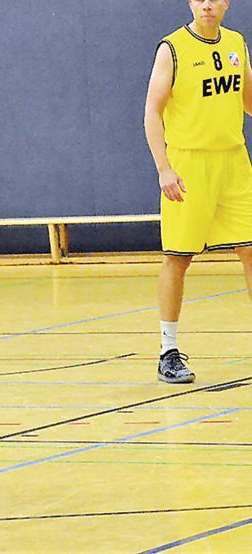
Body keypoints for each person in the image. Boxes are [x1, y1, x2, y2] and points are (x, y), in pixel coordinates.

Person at [144, 0, 252, 384]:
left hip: (233, 163)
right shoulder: (172, 48)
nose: (207, 4)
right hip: (188, 165)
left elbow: (248, 100)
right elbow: (152, 113)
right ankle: (167, 351)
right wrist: (164, 169)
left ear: (227, 3)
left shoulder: (237, 43)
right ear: (191, 3)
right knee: (179, 257)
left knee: (251, 249)